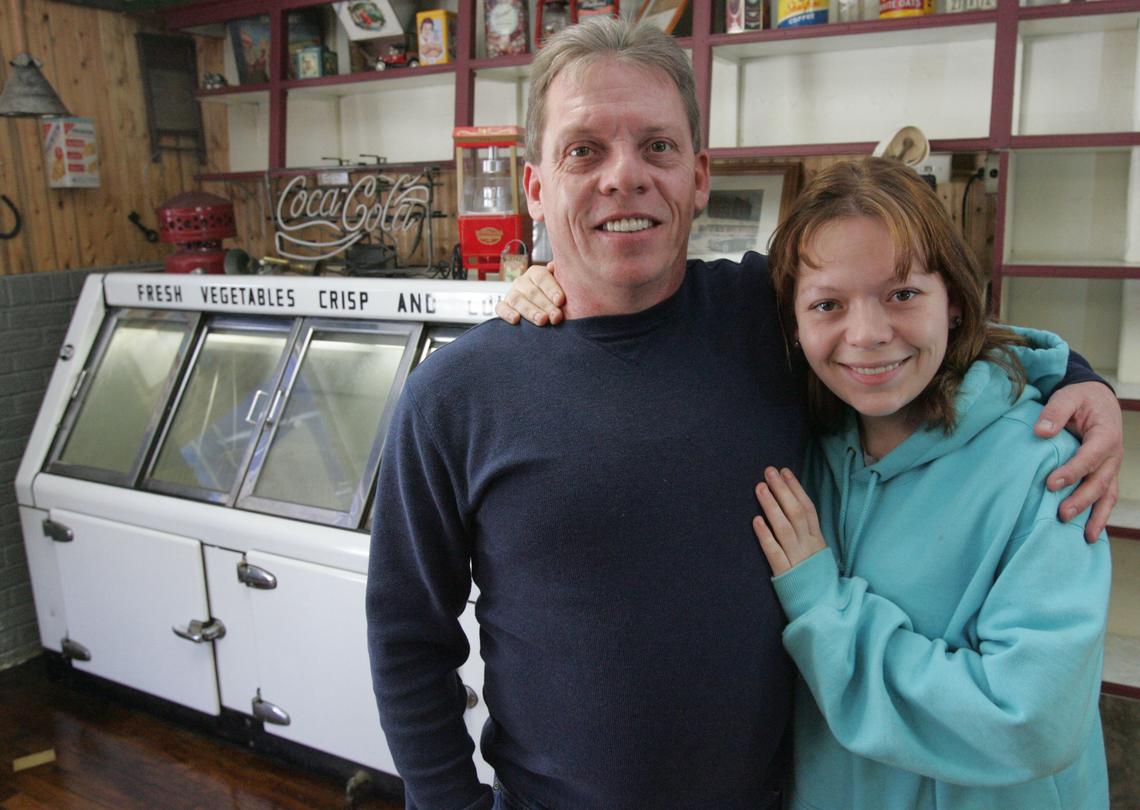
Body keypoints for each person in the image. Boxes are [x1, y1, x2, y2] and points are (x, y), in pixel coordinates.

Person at [368, 17, 1121, 809]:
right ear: (534, 186)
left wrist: (1077, 375)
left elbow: (916, 321)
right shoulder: (454, 394)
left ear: (699, 176)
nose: (624, 176)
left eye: (656, 146)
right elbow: (409, 637)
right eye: (584, 149)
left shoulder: (770, 317)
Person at [750, 157, 1109, 808]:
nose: (867, 335)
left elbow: (1028, 721)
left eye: (902, 294)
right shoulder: (798, 449)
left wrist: (824, 609)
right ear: (794, 329)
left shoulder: (1046, 468)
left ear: (953, 301)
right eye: (828, 303)